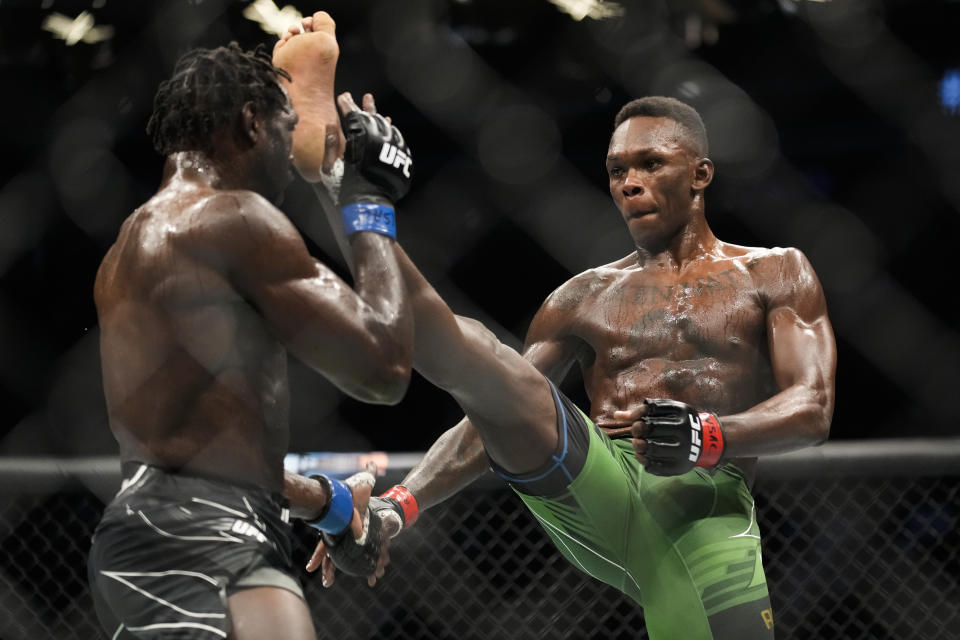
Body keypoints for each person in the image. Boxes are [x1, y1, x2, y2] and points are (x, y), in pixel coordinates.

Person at [316, 95, 837, 639]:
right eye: (617, 171)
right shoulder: (582, 297)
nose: (629, 183)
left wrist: (709, 434)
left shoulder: (775, 271)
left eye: (650, 164)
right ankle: (350, 191)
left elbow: (813, 407)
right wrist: (399, 506)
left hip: (708, 500)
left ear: (700, 174)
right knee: (483, 353)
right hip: (599, 483)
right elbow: (494, 412)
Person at [87, 20, 416, 639]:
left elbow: (196, 453)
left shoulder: (130, 245)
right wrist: (368, 198)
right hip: (203, 540)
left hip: (164, 532)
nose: (292, 163)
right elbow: (384, 367)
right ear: (249, 123)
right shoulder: (233, 217)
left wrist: (329, 504)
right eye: (287, 131)